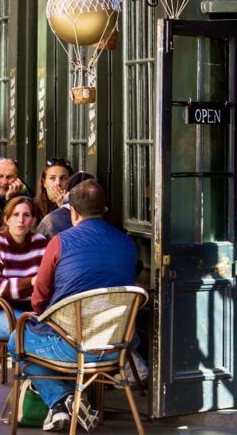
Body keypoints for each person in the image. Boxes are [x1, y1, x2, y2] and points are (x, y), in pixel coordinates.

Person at [8, 180, 140, 433]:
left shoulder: (59, 242)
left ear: (74, 212)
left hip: (71, 347)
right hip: (115, 347)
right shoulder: (127, 244)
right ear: (104, 209)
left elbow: (38, 300)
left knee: (17, 341)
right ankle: (66, 402)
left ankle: (64, 399)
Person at [0, 197, 47, 342]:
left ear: (33, 220)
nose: (20, 220)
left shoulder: (40, 243)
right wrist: (31, 282)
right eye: (15, 214)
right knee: (33, 333)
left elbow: (47, 283)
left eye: (26, 215)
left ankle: (23, 364)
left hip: (29, 314)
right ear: (7, 219)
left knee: (48, 331)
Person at [36, 171, 94, 239]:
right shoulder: (107, 217)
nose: (57, 184)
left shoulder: (50, 221)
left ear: (65, 192)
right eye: (52, 178)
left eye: (63, 178)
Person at [34, 159, 72, 226]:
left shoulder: (76, 207)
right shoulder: (32, 207)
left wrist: (64, 207)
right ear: (44, 183)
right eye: (52, 178)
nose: (58, 183)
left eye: (63, 178)